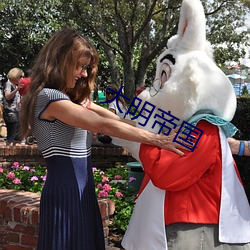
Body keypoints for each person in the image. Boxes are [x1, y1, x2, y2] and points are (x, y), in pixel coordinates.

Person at [19, 27, 185, 250]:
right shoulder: (50, 98)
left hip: (82, 191)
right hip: (65, 193)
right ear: (60, 60)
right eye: (80, 66)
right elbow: (102, 125)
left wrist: (166, 127)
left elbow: (121, 121)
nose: (84, 74)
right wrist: (158, 139)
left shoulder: (71, 100)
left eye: (87, 68)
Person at [3, 68, 24, 146]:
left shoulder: (15, 85)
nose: (22, 79)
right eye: (20, 76)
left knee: (17, 136)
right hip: (10, 112)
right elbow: (7, 96)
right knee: (11, 135)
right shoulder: (8, 84)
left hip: (16, 112)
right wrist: (17, 89)